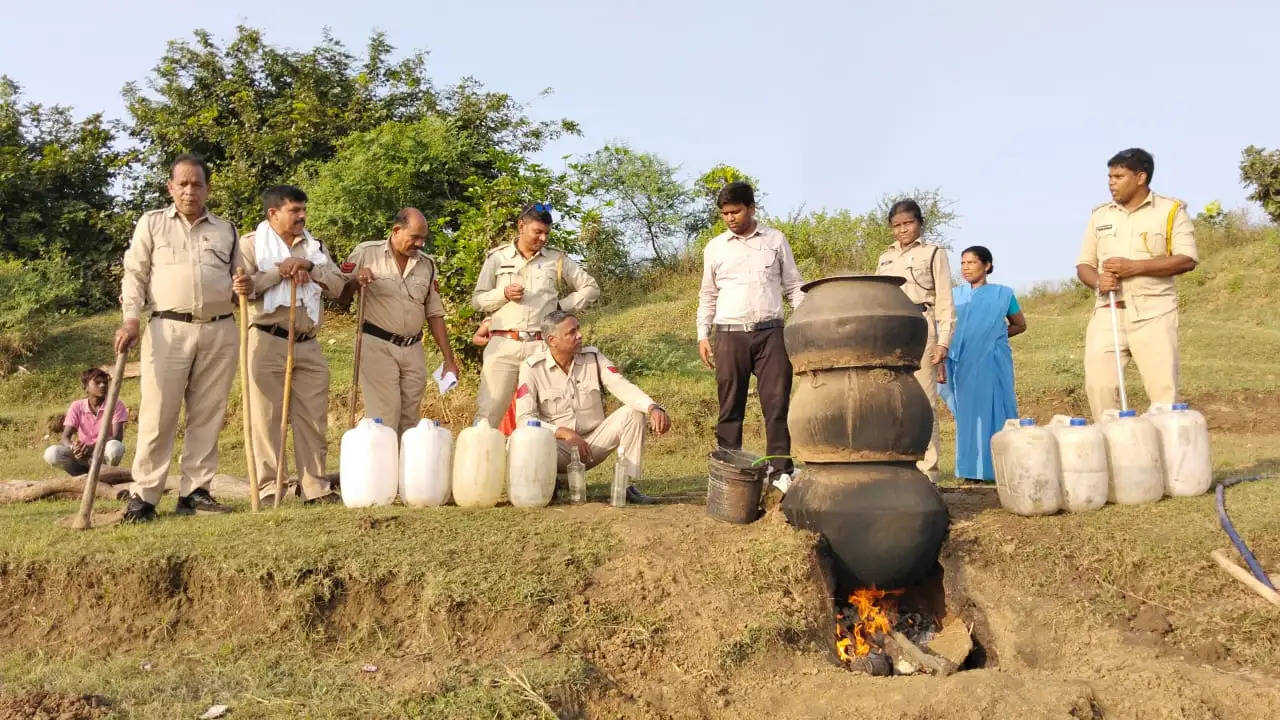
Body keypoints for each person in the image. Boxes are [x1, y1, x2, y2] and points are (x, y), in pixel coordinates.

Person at [115, 153, 240, 522]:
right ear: (170, 188)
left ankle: (195, 493)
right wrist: (131, 320)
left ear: (208, 189)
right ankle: (144, 496)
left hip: (219, 328)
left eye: (196, 184)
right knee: (158, 415)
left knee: (208, 414)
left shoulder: (226, 230)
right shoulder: (152, 224)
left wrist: (243, 284)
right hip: (167, 328)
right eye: (182, 184)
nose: (189, 191)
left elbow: (238, 278)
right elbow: (134, 274)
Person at [233, 185, 347, 505]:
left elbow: (338, 285)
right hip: (267, 339)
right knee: (266, 418)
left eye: (303, 210)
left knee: (312, 416)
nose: (302, 216)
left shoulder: (315, 246)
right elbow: (240, 289)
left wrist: (309, 266)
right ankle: (271, 489)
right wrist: (278, 272)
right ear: (273, 214)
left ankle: (315, 487)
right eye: (294, 210)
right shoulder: (250, 245)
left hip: (308, 341)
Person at [1076, 148, 1198, 420]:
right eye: (1109, 176)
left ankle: (1169, 459)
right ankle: (1115, 456)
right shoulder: (1100, 216)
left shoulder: (1170, 211)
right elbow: (1083, 265)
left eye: (1119, 176)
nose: (1111, 182)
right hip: (1108, 312)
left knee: (1163, 394)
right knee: (1099, 387)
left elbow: (1187, 259)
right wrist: (1098, 282)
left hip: (1154, 312)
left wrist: (1135, 267)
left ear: (1140, 177)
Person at [696, 182, 805, 480]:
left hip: (771, 334)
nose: (730, 218)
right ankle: (730, 472)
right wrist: (702, 335)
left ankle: (780, 472)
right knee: (730, 406)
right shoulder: (715, 248)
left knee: (777, 404)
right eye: (725, 213)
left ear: (752, 208)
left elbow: (794, 286)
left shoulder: (775, 240)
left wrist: (806, 322)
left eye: (736, 211)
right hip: (729, 335)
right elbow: (708, 294)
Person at [515, 310, 671, 502]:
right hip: (557, 449)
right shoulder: (532, 368)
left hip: (592, 445)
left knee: (634, 412)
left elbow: (621, 385)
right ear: (552, 340)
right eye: (572, 332)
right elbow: (524, 419)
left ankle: (625, 486)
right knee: (522, 439)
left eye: (578, 329)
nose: (579, 335)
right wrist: (563, 432)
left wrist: (652, 407)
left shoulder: (593, 358)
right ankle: (548, 483)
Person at [471, 203, 600, 427]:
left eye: (547, 233)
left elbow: (590, 287)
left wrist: (560, 307)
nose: (543, 238)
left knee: (545, 419)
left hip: (541, 347)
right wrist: (503, 293)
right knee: (487, 415)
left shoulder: (556, 259)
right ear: (521, 226)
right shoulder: (497, 258)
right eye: (537, 232)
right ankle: (477, 462)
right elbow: (478, 300)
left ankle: (543, 462)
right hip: (503, 346)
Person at [341, 208, 460, 435]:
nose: (421, 244)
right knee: (384, 417)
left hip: (413, 349)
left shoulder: (427, 264)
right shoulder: (366, 253)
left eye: (424, 238)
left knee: (410, 420)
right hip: (377, 345)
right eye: (415, 237)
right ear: (396, 231)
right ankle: (382, 470)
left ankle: (404, 470)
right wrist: (357, 281)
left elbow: (435, 313)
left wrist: (448, 358)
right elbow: (340, 295)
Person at [875, 199, 955, 484]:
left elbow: (945, 301)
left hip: (922, 326)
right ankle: (899, 471)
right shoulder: (885, 257)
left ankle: (928, 474)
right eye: (896, 226)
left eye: (907, 223)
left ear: (919, 223)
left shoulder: (934, 254)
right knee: (892, 402)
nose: (902, 230)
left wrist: (943, 343)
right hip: (891, 333)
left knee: (923, 402)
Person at [940, 246, 1026, 483]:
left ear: (986, 265)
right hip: (961, 363)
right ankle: (971, 471)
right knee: (967, 416)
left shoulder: (1003, 294)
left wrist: (995, 336)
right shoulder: (953, 295)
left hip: (992, 363)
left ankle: (1002, 466)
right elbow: (945, 326)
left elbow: (1020, 324)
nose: (966, 268)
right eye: (963, 263)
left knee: (996, 410)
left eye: (972, 262)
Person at [43, 367, 129, 476]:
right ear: (85, 386)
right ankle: (81, 477)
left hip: (102, 455)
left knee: (115, 447)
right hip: (82, 456)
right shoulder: (77, 406)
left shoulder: (115, 405)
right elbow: (65, 438)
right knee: (51, 453)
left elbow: (117, 437)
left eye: (105, 382)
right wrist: (74, 448)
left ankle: (107, 475)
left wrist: (92, 448)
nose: (103, 385)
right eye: (97, 383)